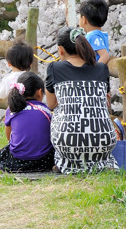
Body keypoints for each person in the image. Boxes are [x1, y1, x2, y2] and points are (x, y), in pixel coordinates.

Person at [45, 27, 118, 174]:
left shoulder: (55, 68)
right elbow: (104, 101)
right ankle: (101, 163)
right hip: (103, 141)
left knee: (59, 113)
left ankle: (66, 163)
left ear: (60, 50)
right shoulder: (101, 69)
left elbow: (51, 104)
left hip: (68, 143)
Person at [0, 71, 55, 172]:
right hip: (43, 161)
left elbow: (8, 136)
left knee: (3, 152)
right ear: (39, 92)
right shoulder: (45, 109)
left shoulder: (12, 109)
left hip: (17, 162)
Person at [79, 0, 112, 64]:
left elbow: (104, 55)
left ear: (84, 19)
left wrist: (96, 71)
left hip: (94, 71)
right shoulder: (99, 34)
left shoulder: (93, 36)